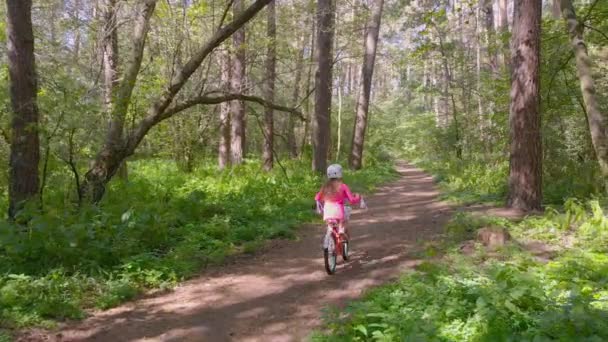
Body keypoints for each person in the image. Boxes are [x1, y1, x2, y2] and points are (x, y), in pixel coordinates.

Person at [315, 164, 362, 239]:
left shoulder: (325, 186)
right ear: (340, 173)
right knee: (342, 223)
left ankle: (330, 235)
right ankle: (341, 233)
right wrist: (358, 197)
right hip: (338, 212)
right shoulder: (343, 186)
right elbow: (352, 200)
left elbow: (317, 197)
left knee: (330, 225)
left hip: (327, 212)